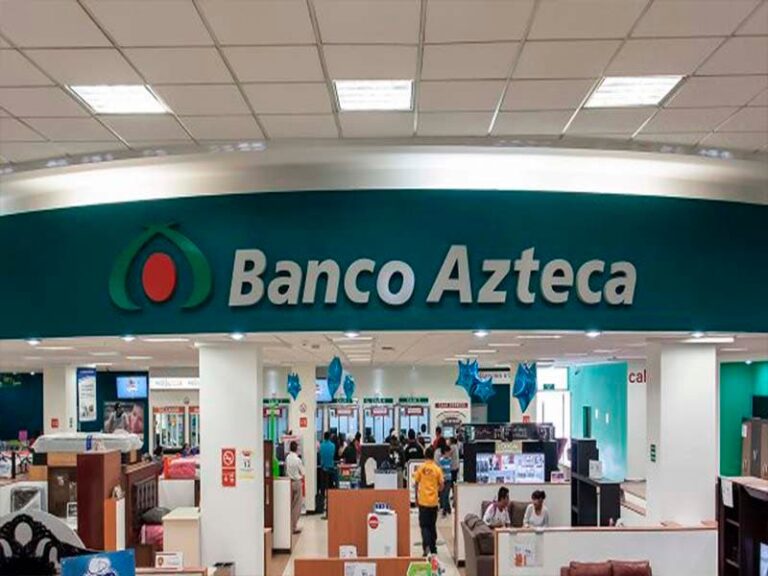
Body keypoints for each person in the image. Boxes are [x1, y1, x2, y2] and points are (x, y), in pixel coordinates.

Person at [413, 446, 444, 557]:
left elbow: (416, 483)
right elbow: (442, 485)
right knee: (432, 525)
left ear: (425, 456)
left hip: (423, 501)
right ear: (433, 456)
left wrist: (416, 497)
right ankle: (433, 548)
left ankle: (426, 546)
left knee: (424, 525)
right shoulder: (437, 469)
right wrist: (436, 491)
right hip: (433, 502)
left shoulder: (421, 468)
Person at [285, 441, 305, 534]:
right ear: (296, 448)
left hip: (289, 483)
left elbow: (286, 470)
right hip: (297, 482)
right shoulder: (298, 460)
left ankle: (289, 525)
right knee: (297, 506)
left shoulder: (287, 458)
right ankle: (293, 526)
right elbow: (303, 472)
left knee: (291, 504)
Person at [435, 438, 453, 516]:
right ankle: (448, 509)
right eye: (448, 452)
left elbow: (450, 468)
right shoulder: (441, 460)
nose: (449, 454)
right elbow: (441, 470)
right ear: (445, 452)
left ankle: (445, 511)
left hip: (448, 480)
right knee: (444, 495)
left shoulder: (450, 460)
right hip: (443, 480)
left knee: (446, 495)